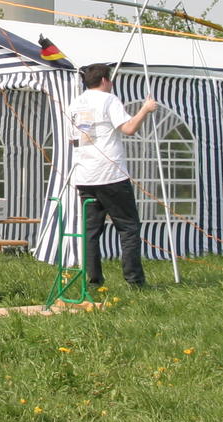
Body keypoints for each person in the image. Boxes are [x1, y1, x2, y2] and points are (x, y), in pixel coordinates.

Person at [66, 63, 158, 288]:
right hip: (111, 175)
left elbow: (72, 139)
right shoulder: (109, 100)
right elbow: (129, 128)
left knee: (90, 232)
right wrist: (145, 109)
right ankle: (134, 281)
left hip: (85, 176)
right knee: (128, 228)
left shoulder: (74, 104)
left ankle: (93, 281)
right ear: (105, 80)